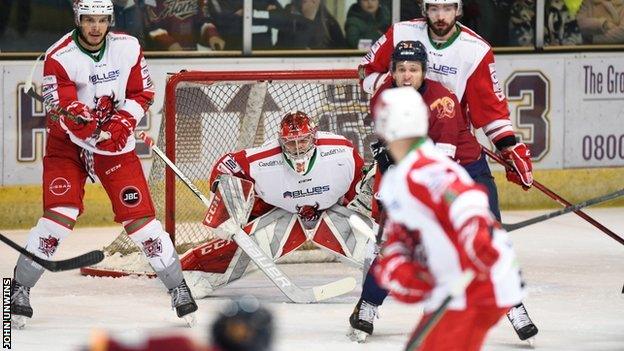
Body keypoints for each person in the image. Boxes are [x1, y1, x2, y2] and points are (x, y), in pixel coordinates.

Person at [9, 0, 197, 329]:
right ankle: (19, 289)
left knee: (141, 222)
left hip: (114, 147)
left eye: (101, 20)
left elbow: (143, 92)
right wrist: (79, 119)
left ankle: (178, 287)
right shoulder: (59, 56)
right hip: (67, 146)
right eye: (88, 20)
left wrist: (124, 121)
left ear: (110, 19)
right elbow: (61, 105)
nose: (95, 27)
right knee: (58, 219)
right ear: (78, 19)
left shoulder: (128, 47)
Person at [358, 0, 538, 342]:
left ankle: (514, 308)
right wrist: (399, 88)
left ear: (459, 10)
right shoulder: (401, 33)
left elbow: (490, 109)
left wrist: (509, 146)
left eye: (448, 8)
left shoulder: (475, 50)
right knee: (402, 237)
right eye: (434, 8)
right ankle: (368, 303)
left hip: (460, 153)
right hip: (412, 153)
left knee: (490, 235)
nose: (441, 16)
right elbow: (367, 73)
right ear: (425, 8)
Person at [348, 40, 485, 342]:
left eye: (413, 69)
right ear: (393, 73)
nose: (407, 75)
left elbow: (442, 160)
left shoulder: (443, 101)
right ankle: (367, 306)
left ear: (424, 71)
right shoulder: (385, 95)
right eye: (401, 69)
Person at [373, 87, 526, 351]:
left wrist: (475, 237)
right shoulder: (403, 173)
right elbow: (405, 235)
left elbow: (466, 202)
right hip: (457, 284)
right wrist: (397, 260)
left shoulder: (425, 168)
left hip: (479, 286)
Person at [180, 111, 373, 292]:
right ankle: (195, 274)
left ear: (314, 137)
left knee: (369, 238)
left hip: (332, 211)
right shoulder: (263, 160)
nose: (298, 148)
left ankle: (394, 273)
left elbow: (358, 185)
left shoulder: (340, 150)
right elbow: (225, 166)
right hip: (282, 215)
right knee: (250, 244)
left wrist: (362, 213)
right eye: (290, 143)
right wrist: (225, 210)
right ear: (281, 141)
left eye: (303, 141)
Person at [84, 297, 273, 351]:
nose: (240, 334)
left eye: (242, 331)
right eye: (235, 328)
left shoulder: (180, 344)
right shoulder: (180, 345)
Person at [144, 0, 225, 51]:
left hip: (192, 53)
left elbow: (204, 18)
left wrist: (212, 35)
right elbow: (152, 25)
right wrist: (169, 43)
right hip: (162, 57)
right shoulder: (150, 1)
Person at [275, 0, 347, 49]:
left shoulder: (329, 22)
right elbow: (284, 50)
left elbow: (342, 55)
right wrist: (308, 19)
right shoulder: (289, 16)